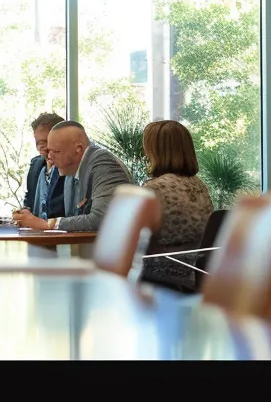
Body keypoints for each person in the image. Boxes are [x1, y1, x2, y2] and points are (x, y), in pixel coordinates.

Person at [136, 120, 215, 292]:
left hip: (156, 278)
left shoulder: (154, 190)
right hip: (193, 278)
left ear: (156, 151)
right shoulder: (201, 187)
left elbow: (132, 240)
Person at [11, 121, 131, 232]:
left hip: (116, 252)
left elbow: (101, 219)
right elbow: (74, 216)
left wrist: (47, 224)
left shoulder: (104, 164)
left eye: (56, 152)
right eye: (49, 151)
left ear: (78, 149)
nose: (50, 158)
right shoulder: (70, 170)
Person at [16, 113, 66, 220]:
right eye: (38, 142)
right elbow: (30, 200)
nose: (41, 147)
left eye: (45, 141)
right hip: (36, 233)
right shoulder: (36, 165)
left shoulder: (71, 167)